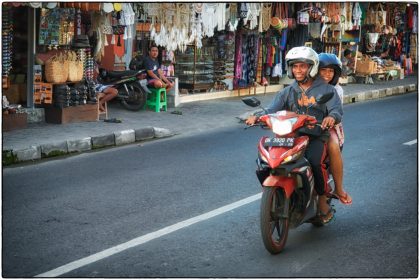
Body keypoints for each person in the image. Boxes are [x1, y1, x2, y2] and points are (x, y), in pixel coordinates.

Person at [246, 46, 343, 224]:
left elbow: (336, 109)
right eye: (295, 66)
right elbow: (272, 109)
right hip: (291, 136)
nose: (298, 70)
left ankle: (322, 202)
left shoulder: (326, 90)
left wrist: (331, 117)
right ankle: (277, 192)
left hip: (315, 136)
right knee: (265, 161)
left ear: (311, 67)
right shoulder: (288, 91)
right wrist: (258, 117)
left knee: (315, 162)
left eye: (302, 66)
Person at [318, 53, 352, 205]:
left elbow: (336, 111)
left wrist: (330, 117)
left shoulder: (335, 90)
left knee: (332, 145)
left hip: (328, 127)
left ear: (336, 74)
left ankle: (338, 188)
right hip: (304, 125)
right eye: (323, 70)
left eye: (331, 71)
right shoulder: (305, 85)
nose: (327, 74)